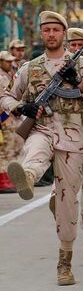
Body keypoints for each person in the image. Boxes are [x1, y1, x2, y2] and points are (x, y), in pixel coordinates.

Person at [0, 11, 83, 285]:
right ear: (42, 33)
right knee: (35, 154)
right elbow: (6, 96)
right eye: (46, 30)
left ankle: (65, 261)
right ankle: (26, 177)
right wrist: (20, 106)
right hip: (43, 128)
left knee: (66, 201)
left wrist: (79, 83)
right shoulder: (31, 68)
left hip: (75, 136)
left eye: (56, 30)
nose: (51, 34)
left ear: (64, 33)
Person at [0, 51, 19, 193]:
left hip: (11, 119)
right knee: (4, 151)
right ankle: (3, 181)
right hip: (4, 119)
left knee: (12, 150)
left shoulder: (8, 75)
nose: (10, 64)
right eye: (7, 61)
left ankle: (9, 179)